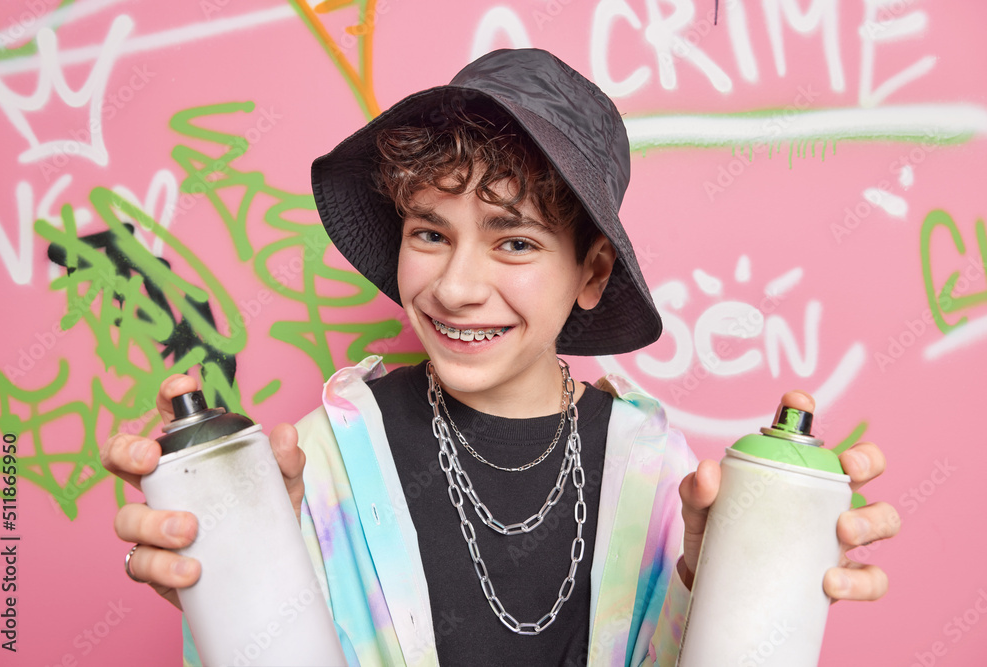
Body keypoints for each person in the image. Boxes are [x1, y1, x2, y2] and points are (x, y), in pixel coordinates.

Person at [101, 48, 900, 666]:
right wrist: (222, 576)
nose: (454, 286)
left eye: (513, 240)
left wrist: (733, 575)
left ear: (590, 273)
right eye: (429, 232)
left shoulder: (659, 473)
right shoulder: (320, 462)